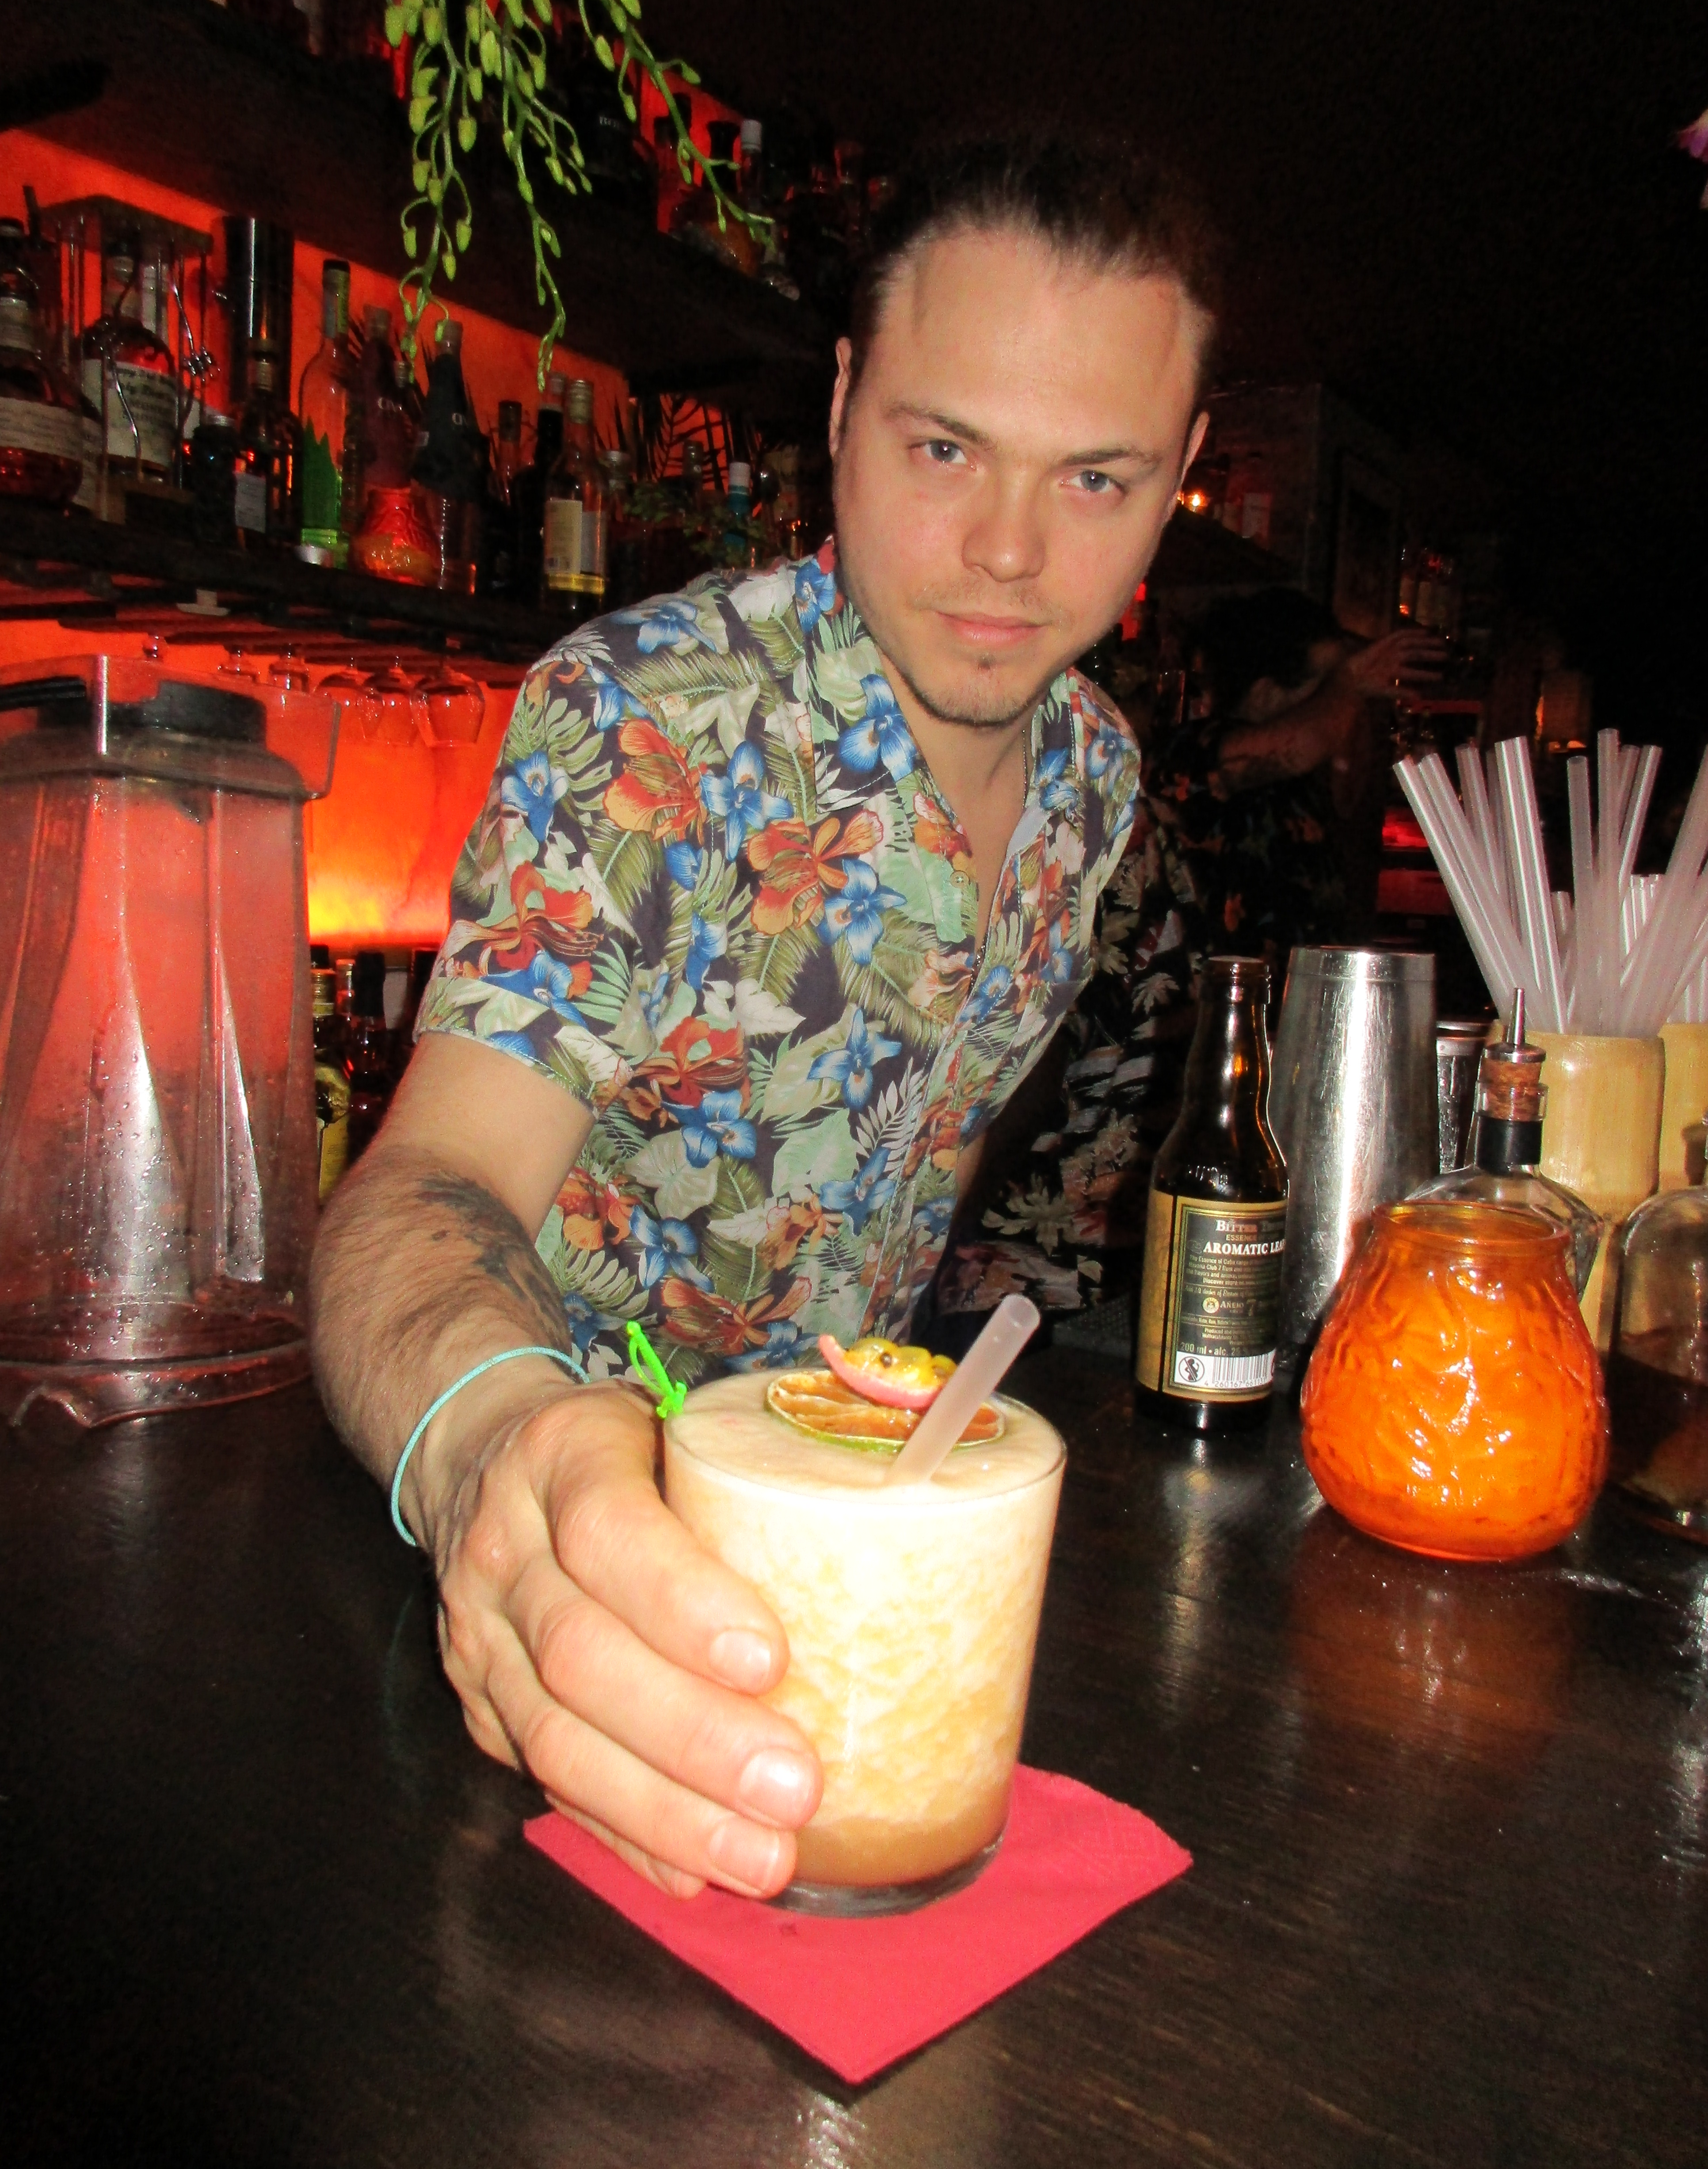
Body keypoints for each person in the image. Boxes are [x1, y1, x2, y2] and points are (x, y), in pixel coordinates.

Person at [309, 128, 1220, 1902]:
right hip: (526, 1594)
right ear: (845, 400)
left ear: (1180, 477)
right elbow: (420, 1189)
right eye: (943, 447)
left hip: (840, 1581)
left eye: (1094, 478)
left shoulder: (1094, 778)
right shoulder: (649, 717)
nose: (1007, 551)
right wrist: (501, 1449)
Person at [933, 589, 1443, 1327]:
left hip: (1209, 1189)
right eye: (1327, 682)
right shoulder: (1184, 762)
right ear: (1263, 694)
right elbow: (1017, 1061)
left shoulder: (1303, 808)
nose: (1353, 708)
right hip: (1060, 1238)